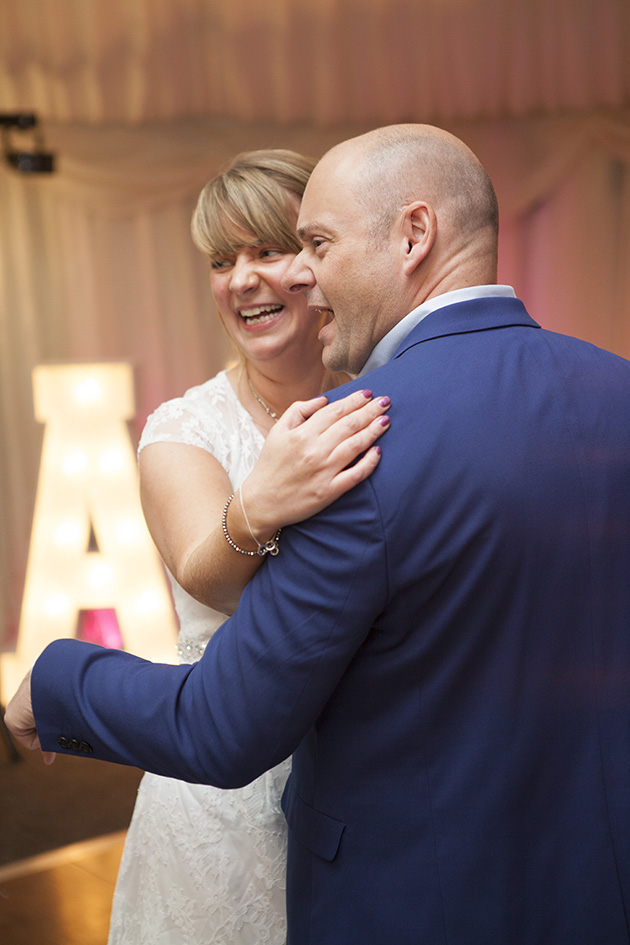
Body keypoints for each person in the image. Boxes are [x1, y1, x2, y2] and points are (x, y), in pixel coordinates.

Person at [7, 124, 630, 945]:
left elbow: (223, 724)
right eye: (222, 261)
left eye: (309, 244)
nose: (289, 272)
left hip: (406, 871)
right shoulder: (612, 388)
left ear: (413, 235)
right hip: (570, 867)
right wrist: (254, 507)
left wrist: (54, 682)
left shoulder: (363, 435)